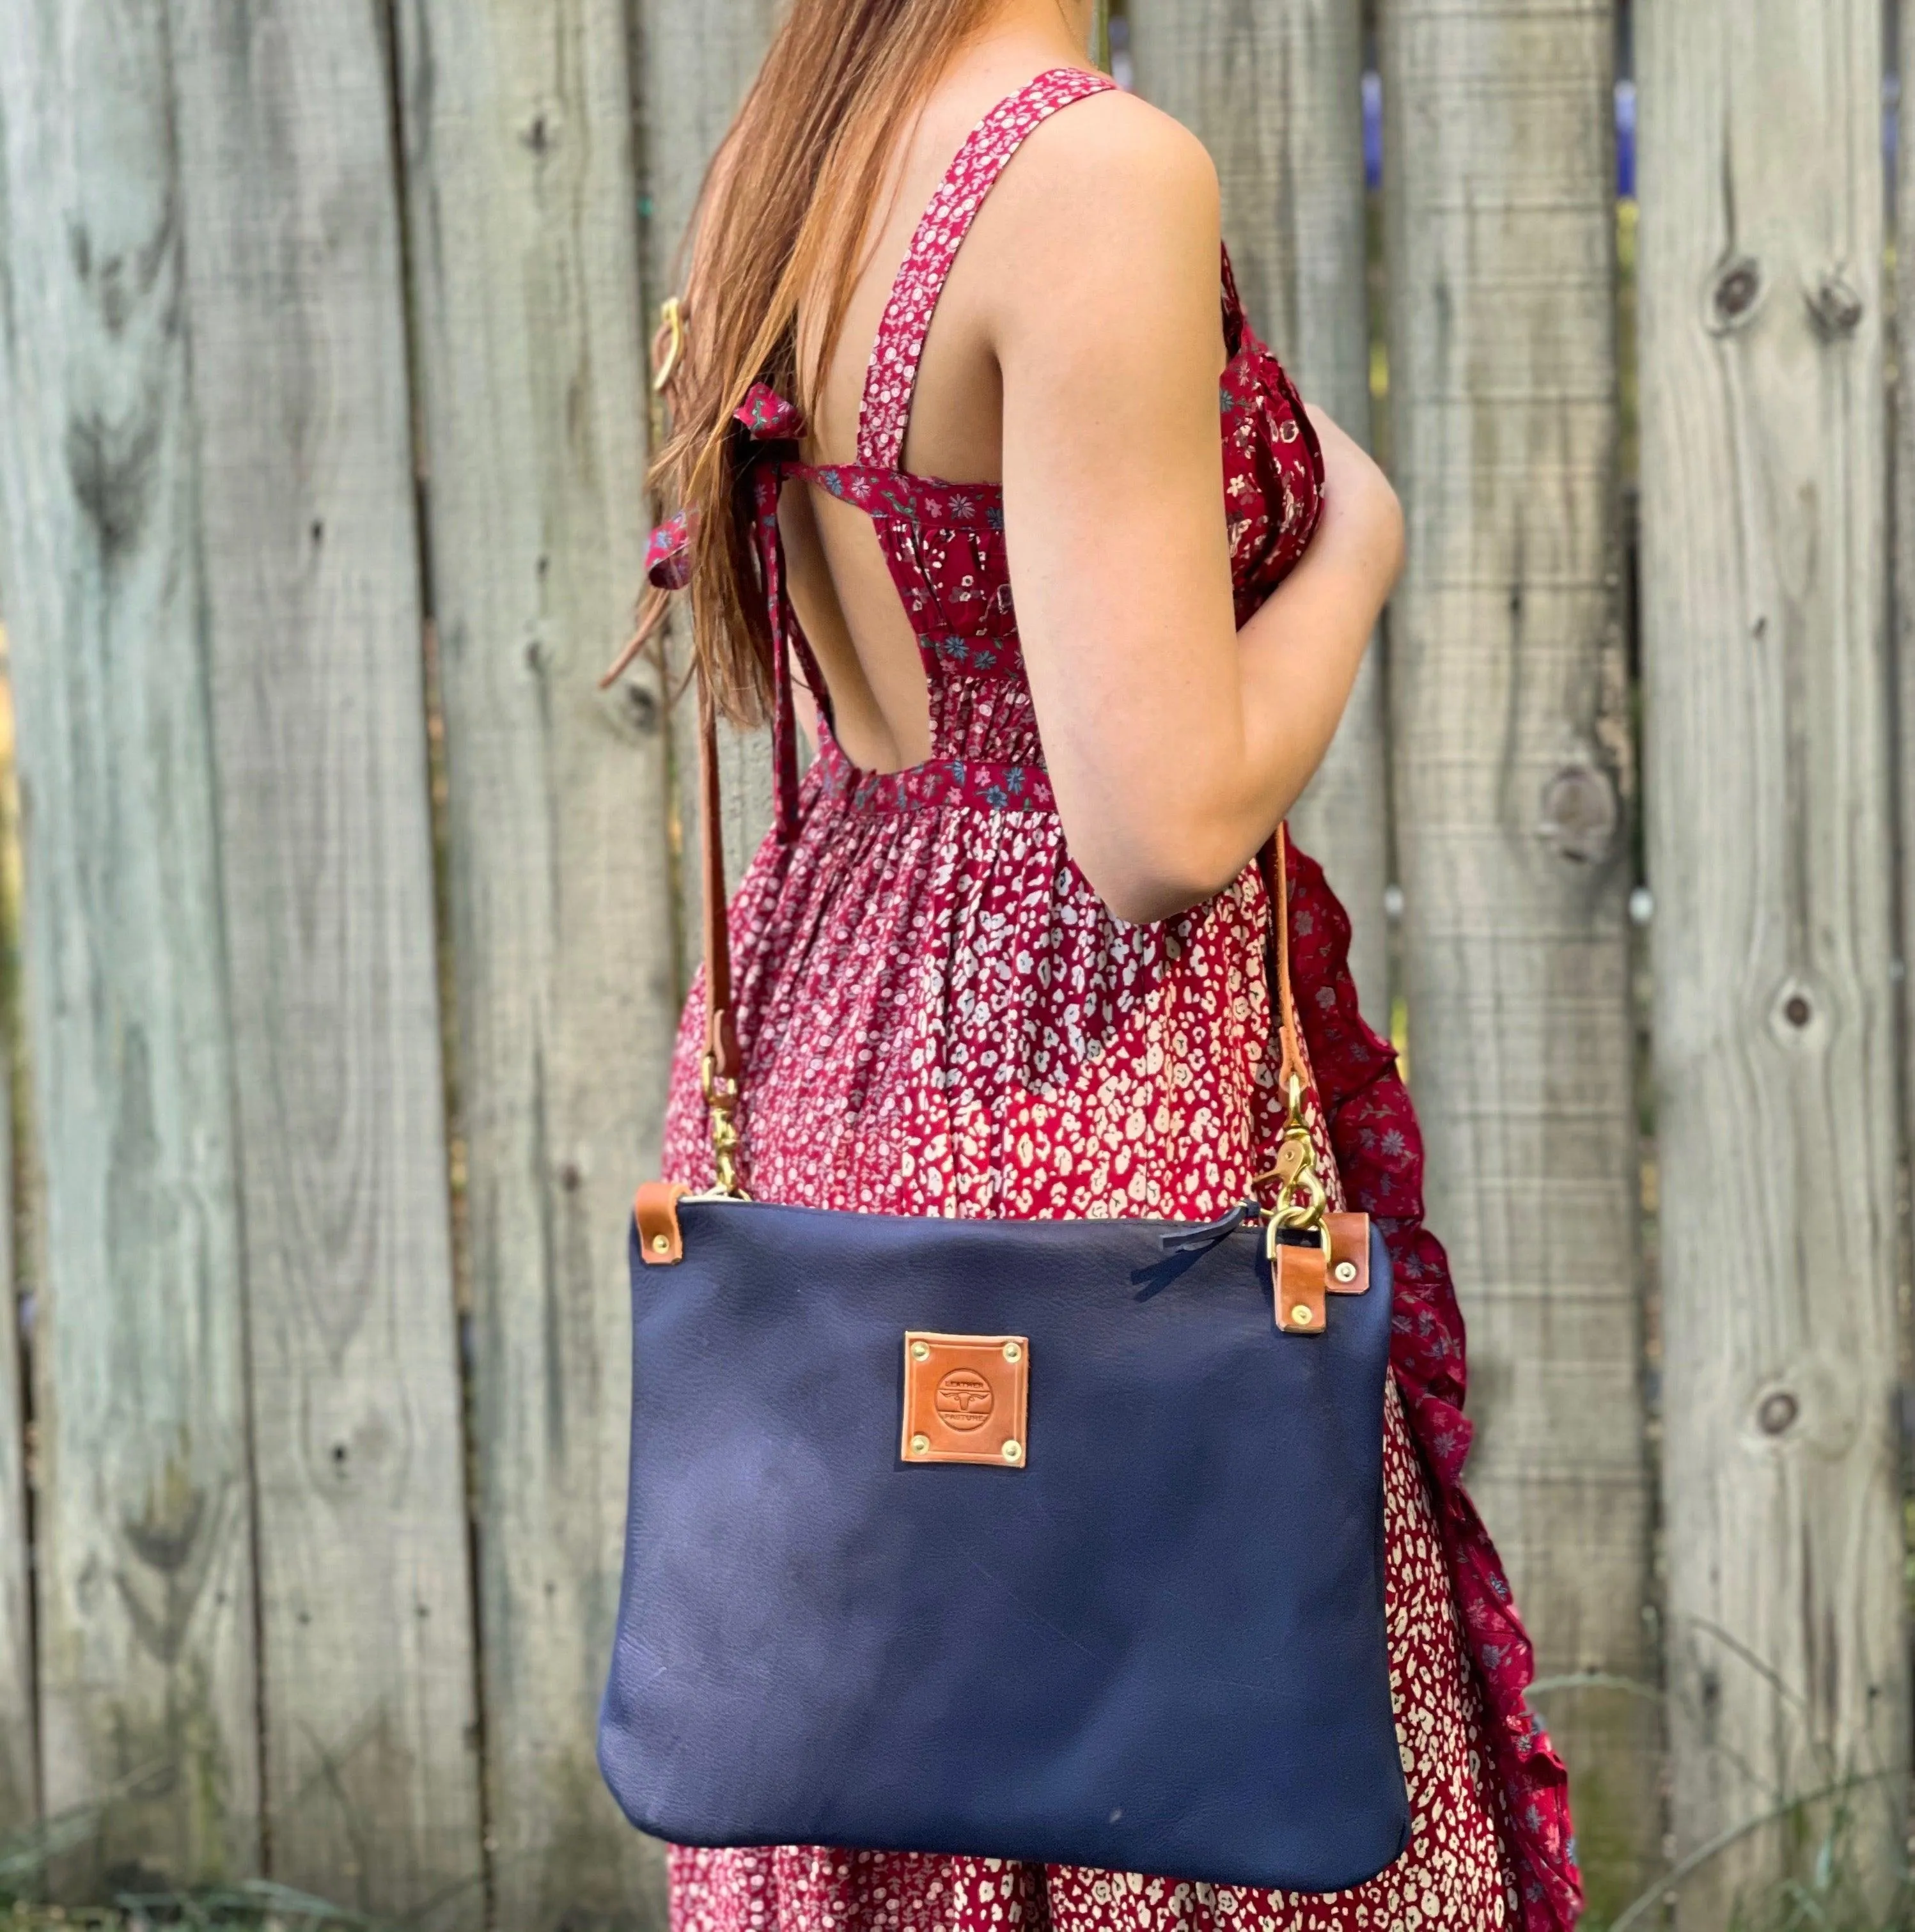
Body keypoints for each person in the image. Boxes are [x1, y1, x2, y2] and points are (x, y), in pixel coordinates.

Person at [627, 0, 1579, 1926]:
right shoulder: (1091, 176)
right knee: (1150, 1740)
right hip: (1073, 1080)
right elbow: (1151, 827)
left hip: (842, 1026)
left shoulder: (788, 156)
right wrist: (1357, 547)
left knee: (874, 1710)